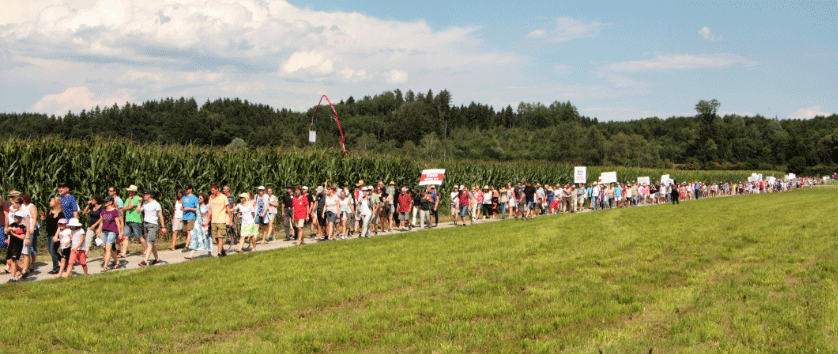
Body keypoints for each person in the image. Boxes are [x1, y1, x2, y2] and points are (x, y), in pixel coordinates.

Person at [137, 190, 166, 266]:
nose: (143, 196)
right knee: (151, 243)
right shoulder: (145, 203)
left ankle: (145, 261)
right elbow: (138, 211)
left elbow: (160, 215)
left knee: (149, 243)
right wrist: (139, 203)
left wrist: (163, 227)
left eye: (145, 194)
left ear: (149, 195)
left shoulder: (156, 204)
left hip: (153, 225)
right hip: (146, 224)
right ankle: (157, 259)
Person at [97, 196, 122, 271]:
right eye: (104, 201)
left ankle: (105, 266)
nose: (105, 203)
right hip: (104, 231)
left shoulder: (115, 211)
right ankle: (117, 261)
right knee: (108, 248)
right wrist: (98, 230)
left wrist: (120, 233)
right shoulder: (103, 211)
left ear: (111, 202)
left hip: (112, 231)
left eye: (106, 201)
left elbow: (118, 223)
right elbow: (101, 222)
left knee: (108, 248)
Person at [208, 184, 233, 256]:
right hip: (214, 220)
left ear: (217, 189)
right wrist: (208, 220)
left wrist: (230, 220)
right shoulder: (211, 197)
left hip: (221, 220)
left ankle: (219, 253)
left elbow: (227, 209)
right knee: (216, 237)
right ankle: (222, 251)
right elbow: (210, 209)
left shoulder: (223, 197)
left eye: (213, 190)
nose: (212, 191)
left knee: (220, 237)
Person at [18, 193, 39, 276]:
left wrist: (32, 228)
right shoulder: (21, 206)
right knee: (25, 248)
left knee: (32, 246)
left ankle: (32, 263)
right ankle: (27, 264)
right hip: (24, 229)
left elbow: (34, 218)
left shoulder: (31, 206)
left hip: (31, 228)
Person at [186, 193, 212, 260]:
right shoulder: (198, 206)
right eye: (198, 198)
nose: (199, 199)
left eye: (200, 198)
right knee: (195, 237)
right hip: (198, 224)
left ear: (204, 199)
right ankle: (191, 254)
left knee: (207, 237)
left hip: (205, 223)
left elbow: (209, 215)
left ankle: (209, 252)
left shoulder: (207, 206)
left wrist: (207, 222)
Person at [44, 197, 65, 275]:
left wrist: (56, 236)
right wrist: (44, 219)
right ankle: (63, 261)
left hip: (55, 234)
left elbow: (60, 226)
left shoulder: (60, 214)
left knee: (53, 251)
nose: (49, 202)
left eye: (51, 201)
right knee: (51, 251)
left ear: (56, 203)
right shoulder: (50, 212)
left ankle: (56, 268)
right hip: (49, 234)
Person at [120, 185, 143, 258]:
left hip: (135, 220)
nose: (129, 192)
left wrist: (129, 205)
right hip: (128, 219)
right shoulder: (127, 199)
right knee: (125, 236)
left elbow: (129, 206)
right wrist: (128, 207)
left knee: (138, 236)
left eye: (130, 191)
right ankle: (123, 252)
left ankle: (146, 248)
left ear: (134, 192)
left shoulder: (137, 198)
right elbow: (123, 208)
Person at [5, 211, 27, 282]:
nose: (15, 218)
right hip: (11, 245)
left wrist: (13, 234)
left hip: (17, 246)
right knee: (8, 262)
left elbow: (22, 237)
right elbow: (7, 231)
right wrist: (10, 229)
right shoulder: (13, 224)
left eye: (17, 217)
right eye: (15, 217)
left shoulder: (22, 227)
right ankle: (23, 271)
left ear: (21, 218)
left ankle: (13, 278)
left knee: (13, 261)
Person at [180, 185, 198, 251]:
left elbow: (197, 208)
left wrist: (190, 209)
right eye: (186, 189)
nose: (186, 190)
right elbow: (183, 205)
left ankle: (186, 246)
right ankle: (191, 243)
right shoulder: (184, 197)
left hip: (191, 216)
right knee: (185, 232)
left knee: (189, 231)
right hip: (185, 216)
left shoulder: (194, 198)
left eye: (187, 189)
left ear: (191, 189)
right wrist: (182, 208)